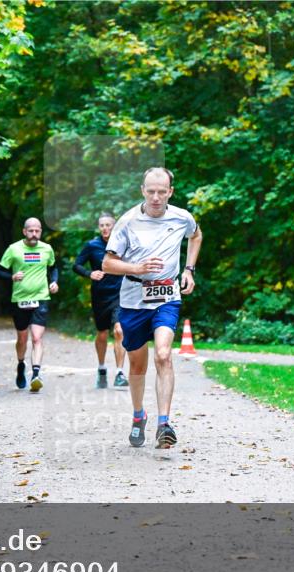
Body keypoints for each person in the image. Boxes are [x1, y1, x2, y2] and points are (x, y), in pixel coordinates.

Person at [102, 167, 202, 449]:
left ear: (170, 191)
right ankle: (138, 416)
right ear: (142, 191)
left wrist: (189, 269)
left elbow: (196, 236)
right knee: (137, 364)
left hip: (167, 296)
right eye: (151, 191)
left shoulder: (182, 217)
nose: (156, 197)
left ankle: (164, 424)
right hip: (133, 300)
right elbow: (107, 264)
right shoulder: (127, 221)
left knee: (163, 354)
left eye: (161, 192)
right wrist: (137, 267)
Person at [0, 218, 58, 392]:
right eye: (31, 231)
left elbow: (53, 267)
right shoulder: (13, 249)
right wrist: (12, 277)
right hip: (20, 299)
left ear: (40, 232)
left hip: (41, 297)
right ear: (24, 232)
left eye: (37, 231)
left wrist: (54, 281)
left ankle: (36, 374)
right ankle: (21, 364)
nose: (34, 234)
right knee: (22, 338)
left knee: (37, 338)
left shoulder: (47, 249)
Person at [74, 213, 128, 389]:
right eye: (102, 225)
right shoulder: (92, 245)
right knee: (102, 333)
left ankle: (120, 373)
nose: (105, 228)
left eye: (108, 225)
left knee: (119, 330)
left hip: (120, 293)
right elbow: (76, 265)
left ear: (114, 227)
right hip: (100, 295)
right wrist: (89, 273)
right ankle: (102, 368)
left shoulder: (122, 243)